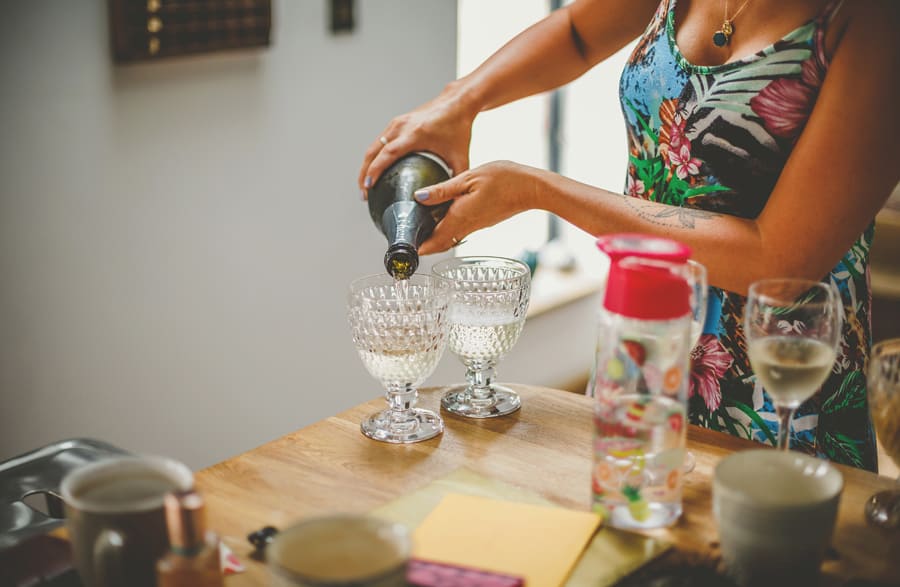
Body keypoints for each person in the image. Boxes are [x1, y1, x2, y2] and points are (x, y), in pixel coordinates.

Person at [357, 0, 900, 471]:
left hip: (779, 382)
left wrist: (540, 192)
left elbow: (777, 262)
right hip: (642, 341)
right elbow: (577, 32)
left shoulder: (874, 21)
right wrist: (460, 101)